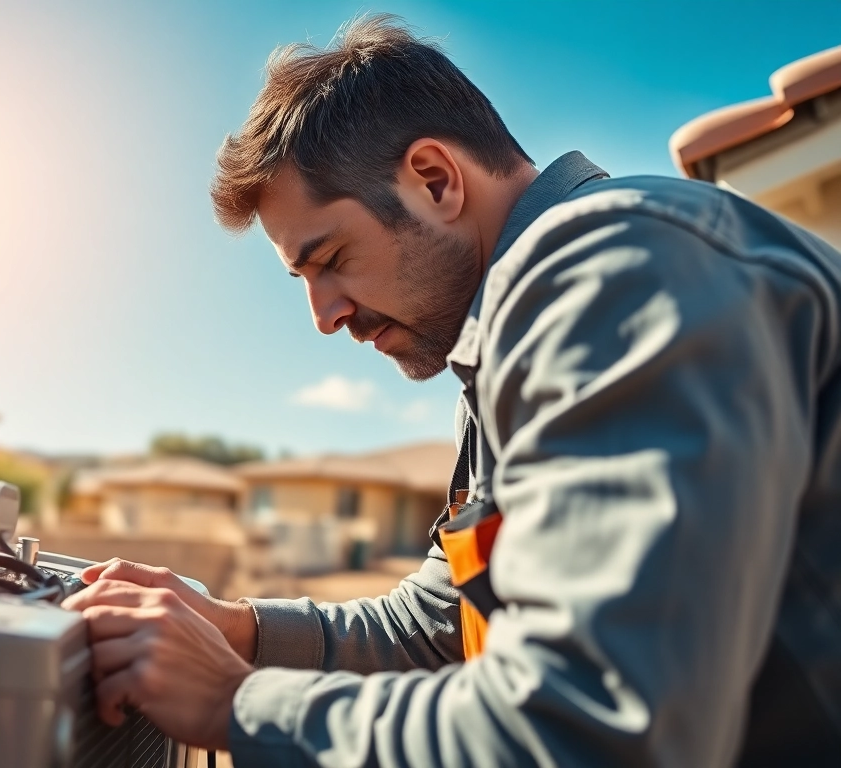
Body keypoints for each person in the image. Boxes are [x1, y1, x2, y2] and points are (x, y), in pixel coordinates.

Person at [62, 14, 841, 766]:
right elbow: (439, 627)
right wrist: (238, 631)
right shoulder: (514, 332)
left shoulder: (610, 275)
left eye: (331, 258)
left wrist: (238, 702)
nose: (325, 316)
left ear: (434, 180)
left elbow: (591, 732)